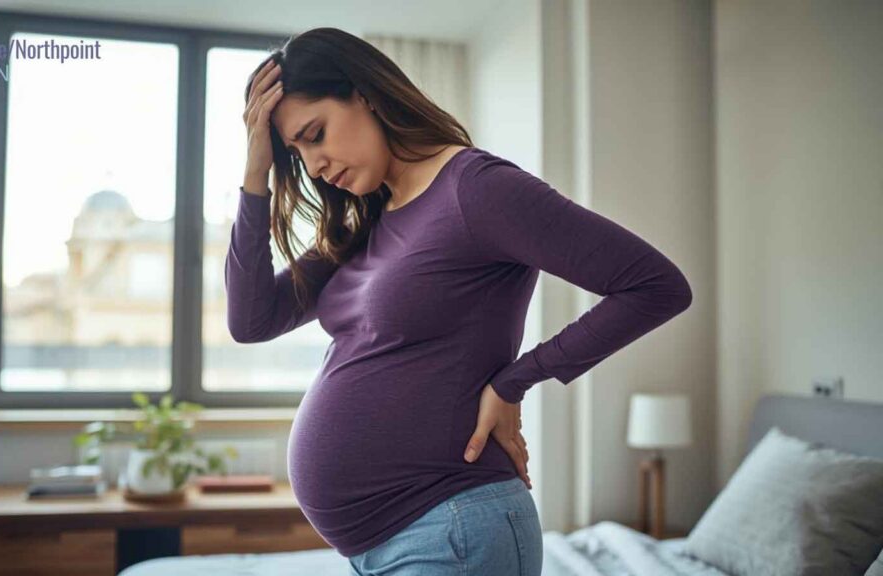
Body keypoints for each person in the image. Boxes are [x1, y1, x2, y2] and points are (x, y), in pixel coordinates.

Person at [226, 27, 692, 576]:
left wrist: (515, 380)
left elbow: (656, 285)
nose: (313, 166)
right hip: (387, 545)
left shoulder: (476, 189)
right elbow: (252, 320)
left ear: (365, 94)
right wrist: (255, 173)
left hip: (452, 532)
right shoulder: (369, 218)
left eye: (316, 134)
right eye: (296, 153)